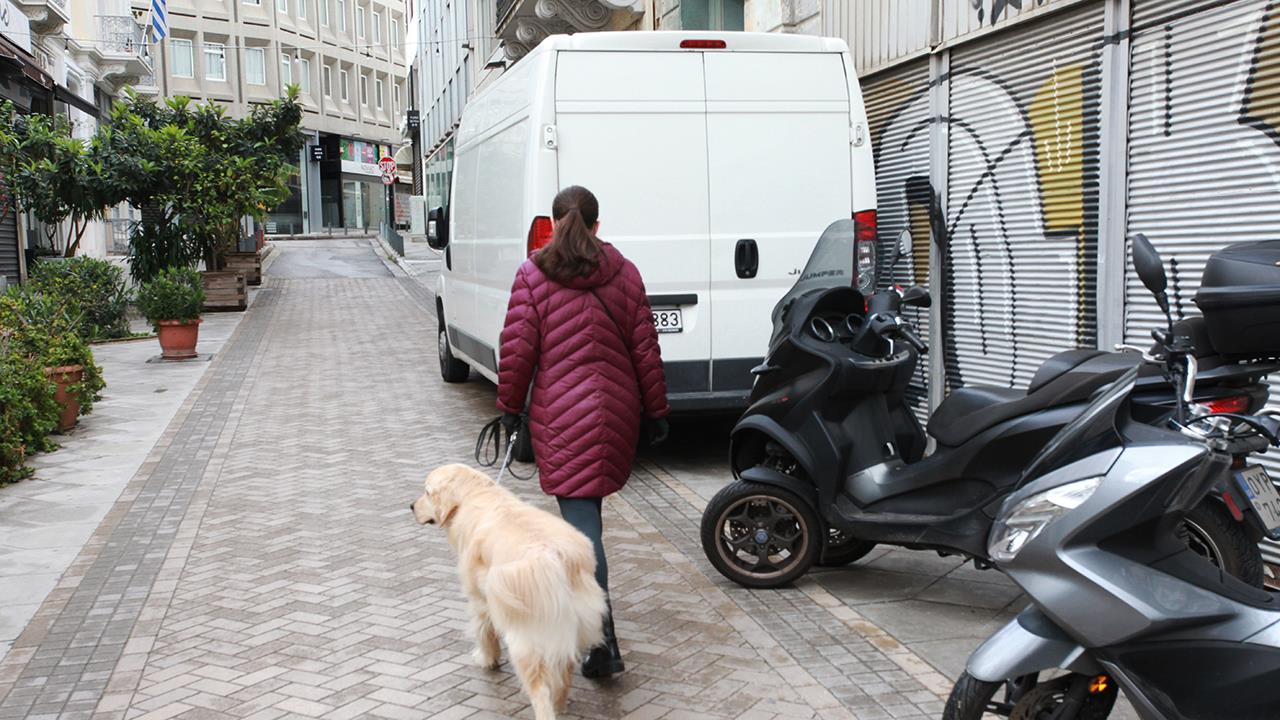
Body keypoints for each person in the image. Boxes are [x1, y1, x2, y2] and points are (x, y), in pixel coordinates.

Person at [496, 185, 670, 679]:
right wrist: (656, 412)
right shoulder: (626, 272)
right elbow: (645, 349)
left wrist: (510, 407)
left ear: (553, 225)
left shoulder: (533, 274)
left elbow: (517, 349)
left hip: (561, 415)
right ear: (597, 225)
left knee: (581, 531)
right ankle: (596, 635)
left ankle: (601, 643)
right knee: (585, 521)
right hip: (615, 411)